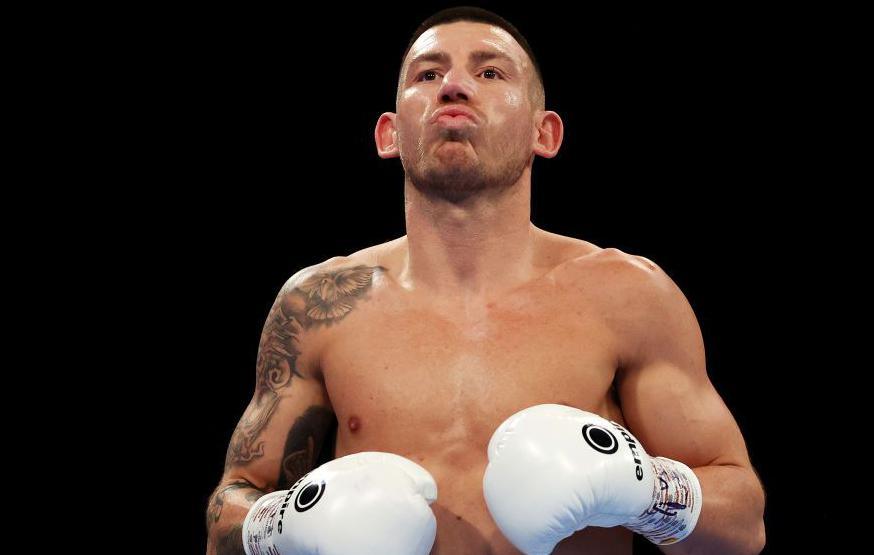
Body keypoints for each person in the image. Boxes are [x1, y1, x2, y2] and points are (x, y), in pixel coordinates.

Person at [206, 6, 765, 554]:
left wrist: (644, 492)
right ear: (389, 134)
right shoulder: (319, 305)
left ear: (545, 133)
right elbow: (228, 512)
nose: (454, 86)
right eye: (428, 74)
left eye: (490, 72)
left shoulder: (628, 296)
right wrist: (286, 524)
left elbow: (744, 527)